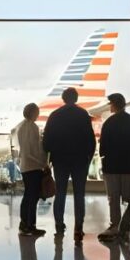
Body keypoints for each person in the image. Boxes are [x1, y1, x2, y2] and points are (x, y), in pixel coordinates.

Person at [42, 88, 95, 242]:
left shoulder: (55, 115)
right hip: (79, 160)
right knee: (79, 194)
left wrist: (51, 156)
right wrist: (88, 157)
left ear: (63, 99)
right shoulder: (83, 114)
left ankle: (59, 224)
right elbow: (90, 140)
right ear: (76, 98)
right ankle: (78, 227)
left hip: (60, 160)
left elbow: (46, 142)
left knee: (60, 193)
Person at [98, 93, 130, 244]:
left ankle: (115, 225)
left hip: (112, 168)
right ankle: (125, 225)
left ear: (113, 105)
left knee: (113, 199)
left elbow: (103, 148)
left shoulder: (109, 123)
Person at [16, 103, 47, 237]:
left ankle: (24, 223)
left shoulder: (21, 126)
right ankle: (30, 225)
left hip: (25, 166)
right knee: (32, 197)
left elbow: (24, 151)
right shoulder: (31, 127)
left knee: (28, 196)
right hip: (32, 167)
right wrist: (42, 163)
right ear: (33, 113)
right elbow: (31, 151)